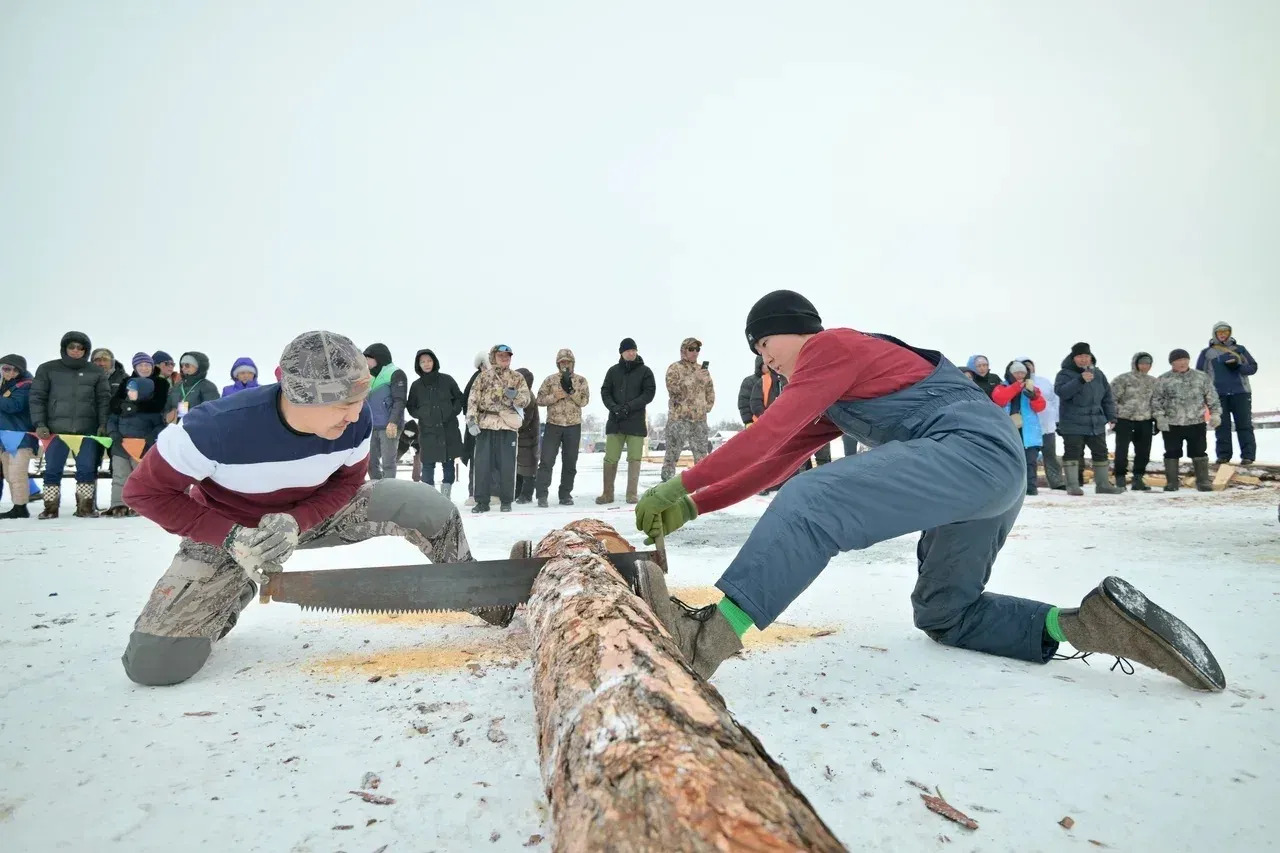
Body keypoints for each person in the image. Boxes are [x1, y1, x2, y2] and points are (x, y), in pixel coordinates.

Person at [630, 290, 1225, 696]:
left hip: (971, 454)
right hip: (990, 476)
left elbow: (770, 431)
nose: (766, 359)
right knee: (946, 614)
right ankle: (1091, 626)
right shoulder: (837, 386)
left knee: (814, 503)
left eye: (764, 345)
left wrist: (684, 481)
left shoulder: (829, 347)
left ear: (790, 331)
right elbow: (778, 457)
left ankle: (707, 639)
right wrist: (694, 505)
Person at [118, 331, 489, 687]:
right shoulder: (212, 428)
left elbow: (347, 483)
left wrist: (297, 520)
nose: (355, 415)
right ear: (301, 397)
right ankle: (238, 582)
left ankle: (486, 592)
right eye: (343, 405)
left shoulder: (355, 420)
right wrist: (231, 538)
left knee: (426, 506)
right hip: (233, 533)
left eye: (359, 401)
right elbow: (144, 492)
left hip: (312, 513)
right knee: (156, 663)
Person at [30, 331, 112, 518]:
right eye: (72, 347)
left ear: (86, 350)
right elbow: (37, 398)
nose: (76, 351)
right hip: (54, 431)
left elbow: (103, 400)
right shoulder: (47, 369)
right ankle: (50, 508)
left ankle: (85, 507)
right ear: (64, 348)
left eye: (80, 348)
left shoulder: (96, 371)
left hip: (87, 430)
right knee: (52, 470)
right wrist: (40, 423)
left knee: (86, 470)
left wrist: (102, 424)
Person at [466, 345, 531, 513]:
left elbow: (526, 400)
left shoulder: (517, 377)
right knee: (482, 465)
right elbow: (472, 399)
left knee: (507, 465)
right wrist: (471, 421)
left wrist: (515, 396)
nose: (504, 358)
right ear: (493, 356)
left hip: (507, 426)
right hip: (485, 425)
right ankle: (481, 502)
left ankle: (506, 501)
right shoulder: (482, 377)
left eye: (507, 355)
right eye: (500, 355)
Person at [1054, 343, 1121, 496]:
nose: (1084, 359)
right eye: (1080, 356)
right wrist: (1080, 380)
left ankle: (1103, 485)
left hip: (1095, 422)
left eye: (1086, 356)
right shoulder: (1064, 374)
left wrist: (1111, 416)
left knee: (1101, 452)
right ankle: (1072, 485)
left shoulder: (1099, 374)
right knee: (1073, 452)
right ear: (1073, 358)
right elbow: (1062, 392)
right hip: (1072, 422)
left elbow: (1107, 397)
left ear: (1091, 357)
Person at [1154, 349, 1222, 492]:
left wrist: (1215, 414)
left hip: (1196, 422)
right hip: (1172, 424)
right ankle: (1172, 482)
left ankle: (1203, 481)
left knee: (1199, 452)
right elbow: (1156, 401)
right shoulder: (1163, 379)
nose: (1182, 363)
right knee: (1172, 452)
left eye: (1185, 359)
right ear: (1172, 363)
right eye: (1178, 360)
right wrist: (1159, 418)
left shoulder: (1201, 377)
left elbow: (1212, 398)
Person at [597, 338, 656, 505]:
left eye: (633, 350)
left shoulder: (645, 372)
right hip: (615, 422)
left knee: (634, 458)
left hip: (635, 422)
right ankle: (607, 493)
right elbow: (605, 392)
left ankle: (632, 494)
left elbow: (649, 393)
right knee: (610, 458)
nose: (631, 353)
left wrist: (629, 407)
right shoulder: (613, 371)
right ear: (621, 353)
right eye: (628, 350)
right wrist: (614, 407)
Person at [1196, 322, 1258, 465]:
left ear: (1230, 333)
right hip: (1218, 395)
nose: (1223, 334)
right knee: (1221, 426)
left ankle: (1248, 456)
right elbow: (1200, 375)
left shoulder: (1239, 349)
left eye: (1226, 331)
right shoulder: (1207, 353)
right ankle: (1224, 456)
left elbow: (1253, 368)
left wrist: (1238, 366)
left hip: (1241, 393)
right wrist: (1204, 394)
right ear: (1215, 334)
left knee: (1244, 425)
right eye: (1220, 332)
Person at [534, 348, 589, 507]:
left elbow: (584, 401)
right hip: (554, 425)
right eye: (562, 362)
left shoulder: (581, 381)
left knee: (570, 462)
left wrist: (571, 391)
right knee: (546, 461)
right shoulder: (550, 380)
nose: (565, 364)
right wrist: (555, 396)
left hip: (573, 426)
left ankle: (565, 494)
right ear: (558, 364)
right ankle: (542, 495)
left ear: (573, 363)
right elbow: (539, 399)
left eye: (568, 362)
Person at [105, 376, 166, 516]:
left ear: (144, 392)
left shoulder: (152, 411)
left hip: (141, 449)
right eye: (128, 390)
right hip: (120, 447)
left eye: (133, 390)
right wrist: (113, 433)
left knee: (140, 478)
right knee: (120, 476)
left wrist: (150, 438)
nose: (129, 392)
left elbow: (159, 426)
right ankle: (118, 504)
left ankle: (139, 504)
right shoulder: (122, 407)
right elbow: (112, 420)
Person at [406, 348, 463, 497]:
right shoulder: (416, 386)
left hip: (448, 429)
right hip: (428, 431)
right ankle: (429, 497)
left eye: (429, 360)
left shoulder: (447, 380)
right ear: (418, 365)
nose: (426, 364)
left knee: (448, 463)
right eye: (422, 361)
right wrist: (423, 414)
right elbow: (411, 406)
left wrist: (452, 411)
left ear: (434, 362)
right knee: (428, 464)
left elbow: (459, 398)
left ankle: (446, 496)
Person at [661, 337, 715, 482]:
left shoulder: (702, 370)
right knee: (671, 455)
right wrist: (693, 378)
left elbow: (710, 390)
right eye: (691, 349)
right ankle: (666, 484)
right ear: (684, 351)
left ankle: (702, 486)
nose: (695, 353)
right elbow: (673, 390)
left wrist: (706, 407)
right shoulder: (675, 368)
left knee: (702, 456)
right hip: (679, 419)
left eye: (697, 350)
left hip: (699, 421)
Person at [992, 361, 1047, 495]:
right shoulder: (1002, 387)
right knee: (1008, 460)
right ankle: (1009, 488)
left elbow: (1041, 407)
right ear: (1010, 374)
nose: (1019, 375)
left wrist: (1034, 397)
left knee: (1030, 461)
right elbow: (999, 399)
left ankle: (1031, 487)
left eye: (1022, 373)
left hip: (1028, 431)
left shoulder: (1033, 388)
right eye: (1016, 373)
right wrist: (1016, 387)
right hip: (1009, 430)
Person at [1110, 353, 1158, 491]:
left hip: (1145, 421)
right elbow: (1112, 399)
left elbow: (1157, 402)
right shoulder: (1122, 379)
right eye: (1142, 363)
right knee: (1121, 451)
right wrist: (1114, 417)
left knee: (1143, 452)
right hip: (1125, 420)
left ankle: (1138, 478)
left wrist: (1156, 420)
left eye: (1148, 363)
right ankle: (1120, 478)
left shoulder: (1154, 382)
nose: (1145, 366)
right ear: (1135, 364)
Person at [1017, 357, 1065, 490]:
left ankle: (1056, 481)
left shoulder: (1044, 382)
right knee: (1029, 458)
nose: (1029, 368)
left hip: (1046, 424)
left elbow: (1055, 400)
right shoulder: (1017, 383)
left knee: (1050, 454)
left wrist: (1056, 419)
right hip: (1028, 427)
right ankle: (1028, 484)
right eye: (1025, 366)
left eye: (1030, 365)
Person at [362, 344, 408, 480]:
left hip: (389, 426)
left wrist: (393, 422)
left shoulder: (395, 373)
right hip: (372, 426)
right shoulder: (369, 376)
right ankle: (376, 490)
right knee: (370, 463)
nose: (366, 363)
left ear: (378, 358)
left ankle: (389, 492)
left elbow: (399, 400)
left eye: (368, 359)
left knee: (388, 463)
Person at [0, 354, 37, 519]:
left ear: (19, 370)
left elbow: (14, 406)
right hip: (5, 438)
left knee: (17, 474)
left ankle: (21, 507)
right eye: (4, 369)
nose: (8, 372)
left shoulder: (26, 386)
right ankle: (17, 504)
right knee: (8, 474)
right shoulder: (5, 386)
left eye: (11, 369)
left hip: (21, 437)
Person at [164, 352, 220, 423]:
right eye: (182, 365)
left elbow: (212, 411)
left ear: (198, 367)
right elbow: (167, 407)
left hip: (197, 429)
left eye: (187, 365)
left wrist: (192, 419)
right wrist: (167, 415)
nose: (183, 368)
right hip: (176, 429)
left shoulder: (207, 386)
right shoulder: (177, 386)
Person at [514, 367, 540, 503]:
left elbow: (525, 420)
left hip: (529, 438)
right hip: (521, 437)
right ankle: (517, 493)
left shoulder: (528, 396)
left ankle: (527, 494)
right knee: (519, 468)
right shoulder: (519, 395)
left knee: (528, 468)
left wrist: (512, 424)